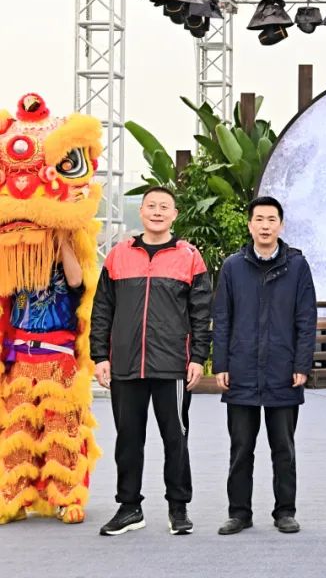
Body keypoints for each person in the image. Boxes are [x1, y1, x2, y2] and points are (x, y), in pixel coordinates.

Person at [90, 186, 213, 536]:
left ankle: (178, 507)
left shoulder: (189, 256)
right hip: (126, 363)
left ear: (174, 215)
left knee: (175, 437)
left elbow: (201, 312)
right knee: (128, 439)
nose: (157, 212)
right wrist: (100, 355)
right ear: (141, 212)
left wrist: (198, 357)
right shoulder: (118, 255)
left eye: (164, 207)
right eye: (151, 206)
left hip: (172, 364)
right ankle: (129, 507)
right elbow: (102, 309)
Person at [212, 196, 316, 536]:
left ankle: (285, 511)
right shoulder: (232, 267)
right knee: (241, 448)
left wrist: (302, 363)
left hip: (282, 370)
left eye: (272, 219)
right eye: (259, 219)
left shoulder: (297, 266)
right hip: (241, 369)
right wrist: (221, 363)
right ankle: (239, 513)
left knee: (283, 448)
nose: (265, 226)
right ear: (250, 225)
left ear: (281, 225)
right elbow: (222, 318)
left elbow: (306, 319)